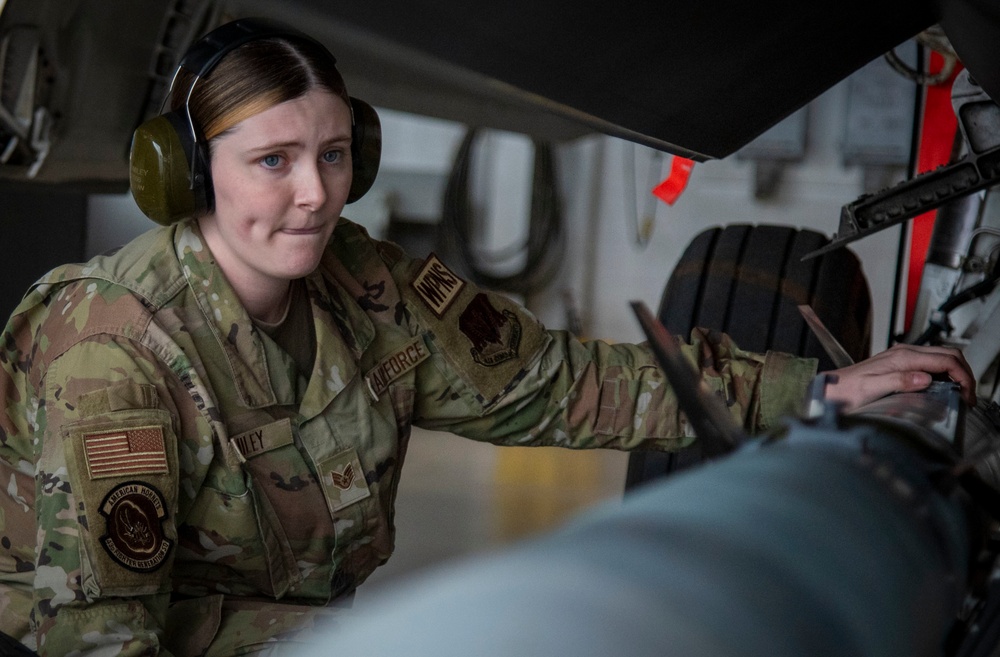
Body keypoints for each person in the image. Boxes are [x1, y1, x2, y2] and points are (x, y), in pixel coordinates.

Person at [0, 17, 976, 657]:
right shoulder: (110, 345)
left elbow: (552, 383)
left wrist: (808, 393)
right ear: (189, 174)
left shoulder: (367, 284)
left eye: (333, 156)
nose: (313, 195)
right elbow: (95, 638)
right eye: (272, 162)